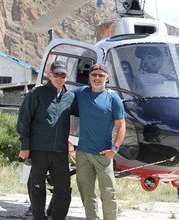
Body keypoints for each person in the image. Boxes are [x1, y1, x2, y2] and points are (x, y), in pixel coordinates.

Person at [17, 60, 76, 220]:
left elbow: (87, 102)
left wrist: (106, 91)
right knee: (37, 186)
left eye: (62, 75)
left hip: (60, 151)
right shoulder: (36, 94)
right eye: (56, 74)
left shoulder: (71, 97)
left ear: (67, 77)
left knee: (63, 189)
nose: (59, 78)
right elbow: (24, 120)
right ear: (49, 75)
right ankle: (39, 217)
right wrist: (25, 146)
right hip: (38, 149)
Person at [73, 63, 126, 220]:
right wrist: (40, 87)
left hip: (104, 155)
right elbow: (60, 92)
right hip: (82, 153)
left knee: (108, 193)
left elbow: (121, 126)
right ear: (89, 77)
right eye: (94, 75)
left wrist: (114, 149)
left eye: (101, 75)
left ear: (107, 78)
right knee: (86, 193)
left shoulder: (113, 99)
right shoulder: (81, 93)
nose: (97, 78)